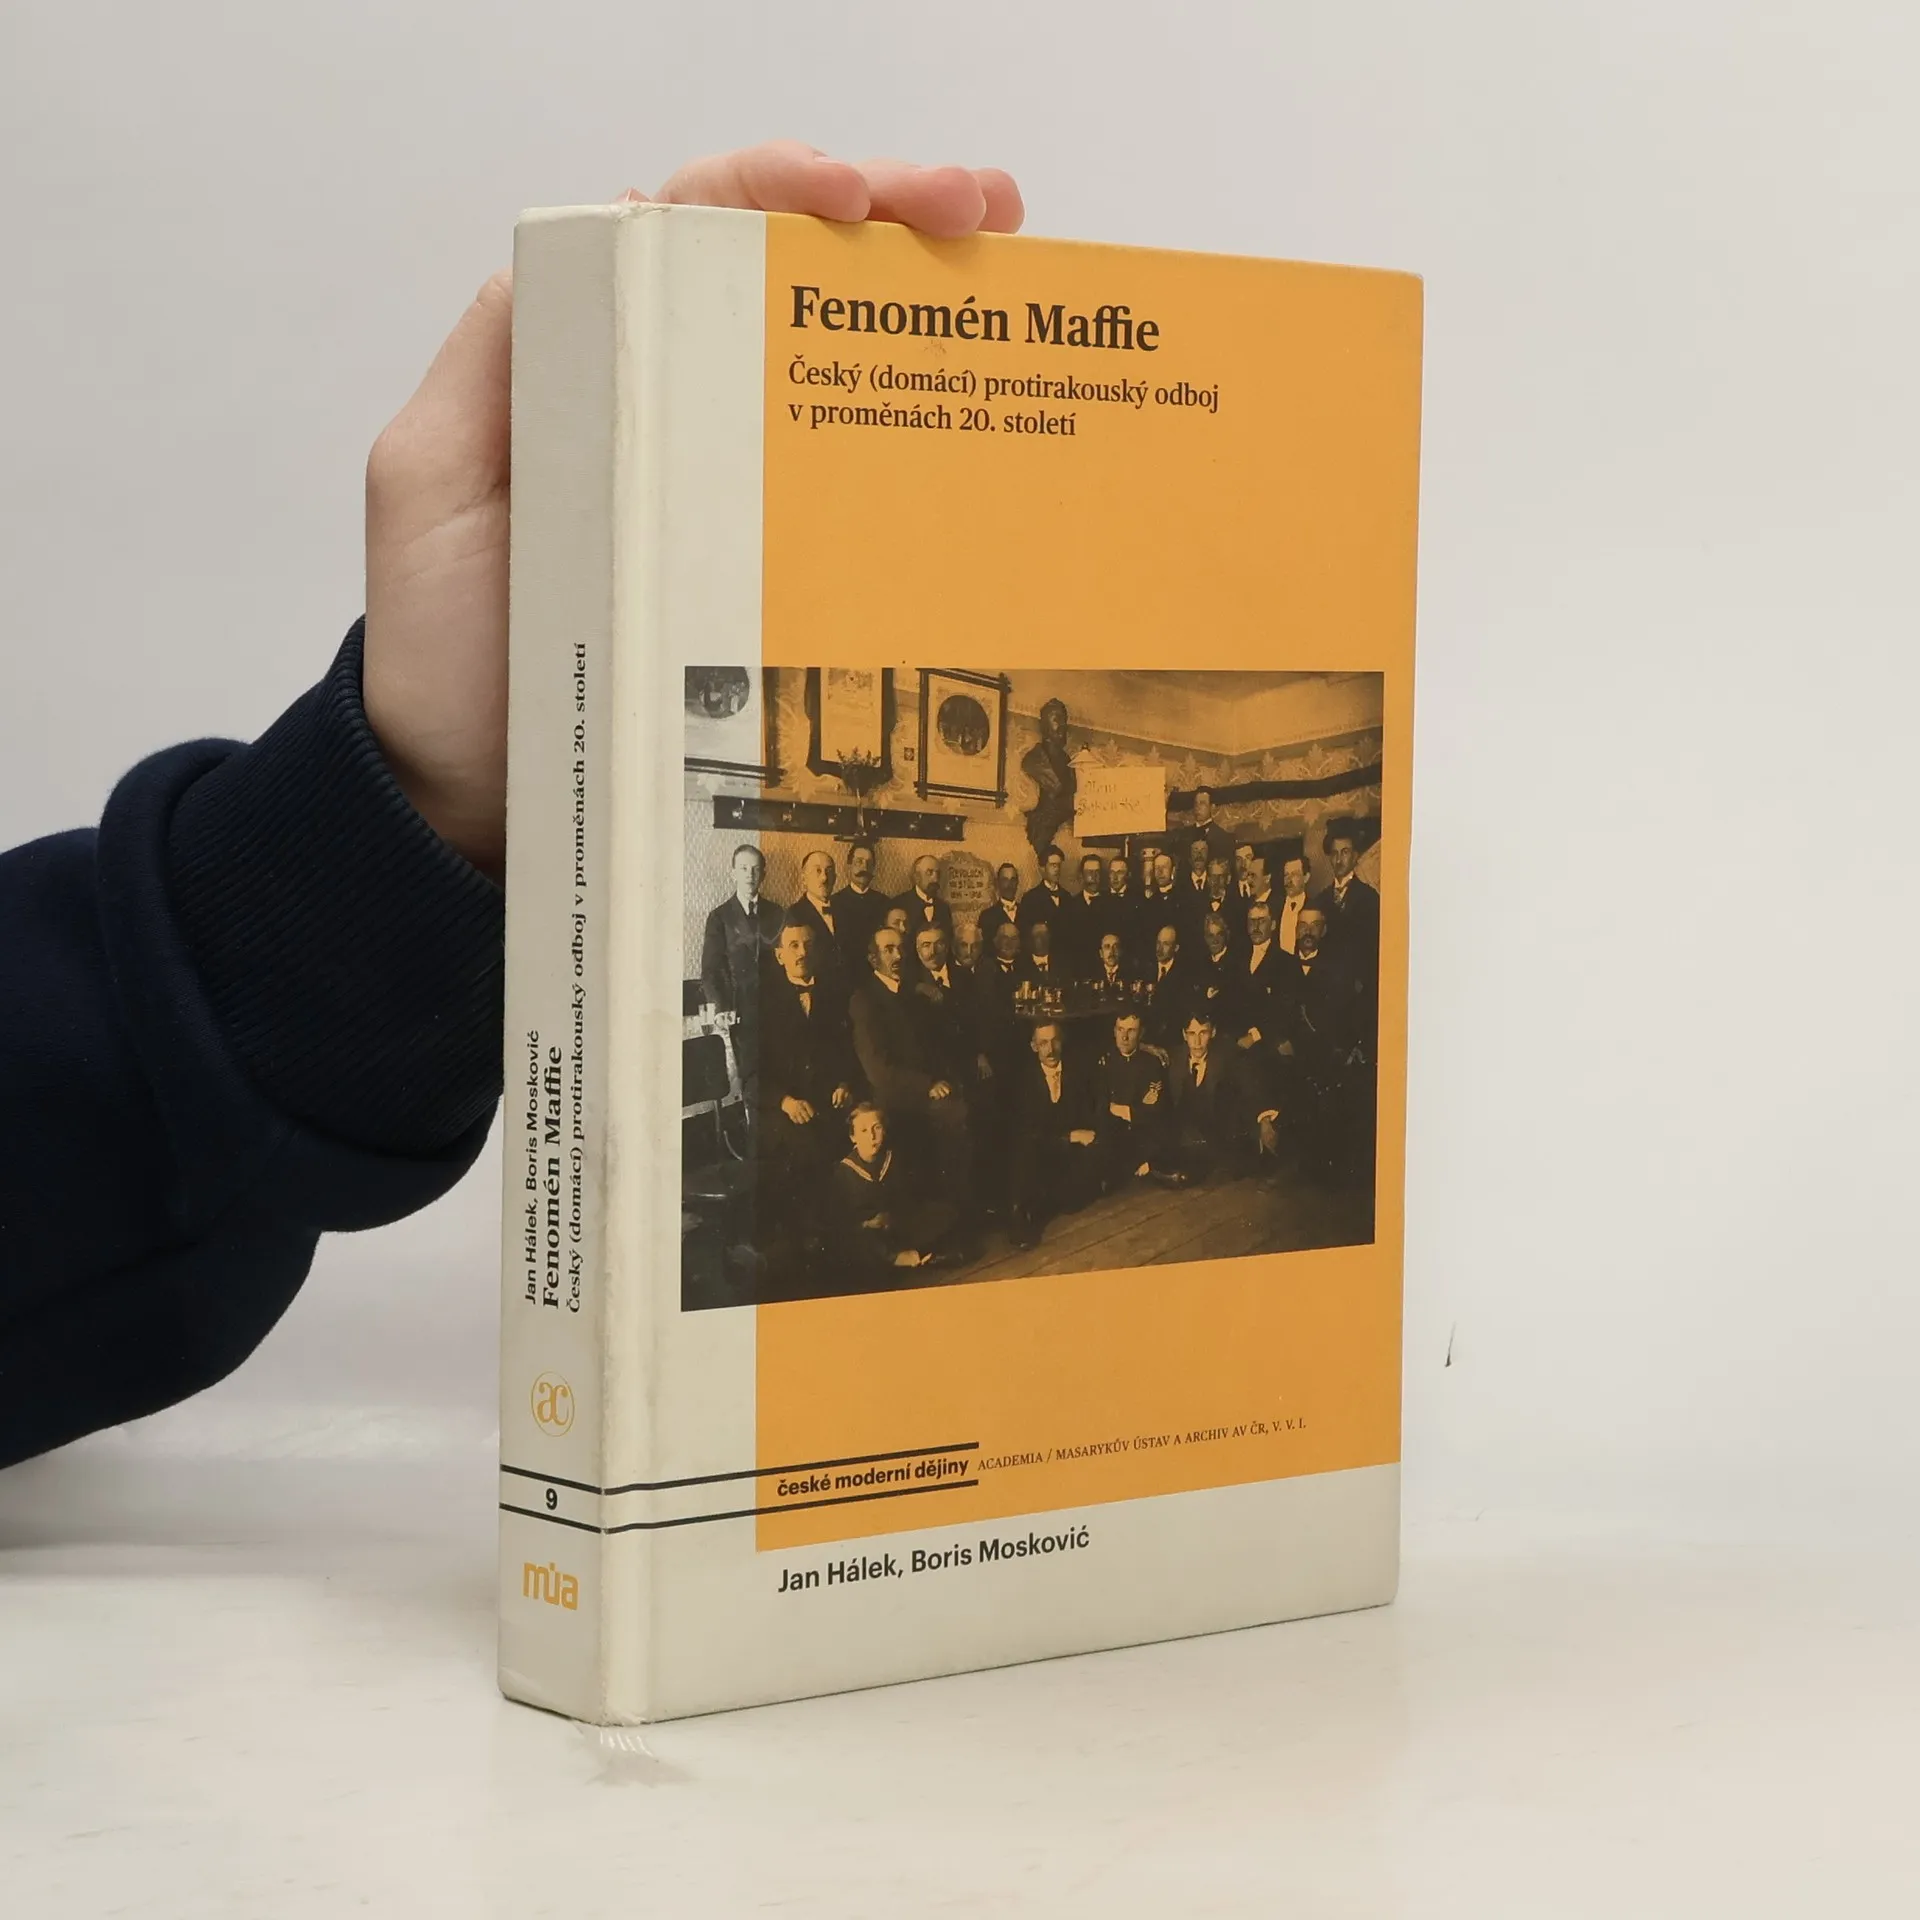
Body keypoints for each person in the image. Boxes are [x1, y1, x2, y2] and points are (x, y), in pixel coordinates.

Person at [0, 138, 1025, 1469]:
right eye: (806, 879)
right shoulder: (766, 938)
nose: (822, 894)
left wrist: (413, 807)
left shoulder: (860, 946)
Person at [849, 926, 973, 1206]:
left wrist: (945, 1078)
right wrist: (928, 1085)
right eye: (888, 950)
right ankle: (952, 1211)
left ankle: (957, 1209)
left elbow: (930, 1048)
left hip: (922, 1086)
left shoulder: (910, 993)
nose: (898, 956)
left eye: (901, 949)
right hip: (893, 1093)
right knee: (953, 1115)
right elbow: (878, 1070)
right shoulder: (865, 1000)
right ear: (873, 959)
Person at [754, 923, 860, 1235]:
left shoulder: (835, 995)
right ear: (779, 956)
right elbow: (751, 1075)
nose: (802, 952)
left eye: (808, 945)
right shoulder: (762, 1004)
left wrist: (844, 1084)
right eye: (794, 946)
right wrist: (785, 1102)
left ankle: (857, 1231)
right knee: (809, 1149)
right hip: (780, 1110)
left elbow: (848, 1051)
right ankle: (815, 1237)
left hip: (829, 1102)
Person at [827, 1104, 957, 1280]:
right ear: (853, 1137)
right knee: (855, 1242)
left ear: (885, 1130)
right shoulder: (844, 1171)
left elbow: (909, 1198)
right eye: (863, 1131)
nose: (872, 1136)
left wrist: (895, 1216)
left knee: (944, 1213)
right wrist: (867, 1224)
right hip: (867, 1231)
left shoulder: (893, 1158)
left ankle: (907, 1257)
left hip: (896, 1224)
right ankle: (904, 1258)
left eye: (877, 1128)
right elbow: (839, 1219)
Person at [1006, 1021, 1102, 1249]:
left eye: (1054, 1041)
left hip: (1068, 1156)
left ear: (1062, 1041)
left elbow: (1091, 1115)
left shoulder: (1079, 1073)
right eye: (1043, 1043)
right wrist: (1068, 1137)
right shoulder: (1022, 1081)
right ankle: (1020, 1217)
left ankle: (1049, 1200)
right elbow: (1026, 1133)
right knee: (1025, 1151)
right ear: (1033, 1047)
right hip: (1037, 1154)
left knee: (1073, 1202)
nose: (1050, 1050)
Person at [700, 844, 783, 1058]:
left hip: (773, 1011)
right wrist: (720, 1008)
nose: (750, 875)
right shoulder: (719, 917)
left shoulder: (777, 913)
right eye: (744, 868)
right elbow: (710, 970)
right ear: (733, 874)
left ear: (763, 875)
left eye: (755, 869)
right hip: (736, 1012)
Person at [1092, 1011, 1174, 1187]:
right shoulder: (1104, 1062)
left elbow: (1153, 1110)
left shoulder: (1151, 1064)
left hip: (1143, 1133)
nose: (1124, 1037)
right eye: (1120, 1029)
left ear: (1141, 1033)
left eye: (1131, 1031)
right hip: (1115, 1134)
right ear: (1114, 1031)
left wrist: (1121, 1110)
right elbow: (1100, 1107)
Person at [1311, 822, 1381, 984]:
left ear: (1355, 856)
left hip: (1358, 986)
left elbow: (1373, 950)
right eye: (1334, 853)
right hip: (1326, 985)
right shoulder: (1320, 900)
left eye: (1345, 852)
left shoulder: (1369, 898)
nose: (1338, 860)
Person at [1020, 698, 1075, 857]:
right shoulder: (1033, 760)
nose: (1062, 725)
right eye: (1057, 719)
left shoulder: (1068, 762)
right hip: (1041, 826)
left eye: (1064, 720)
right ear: (1044, 726)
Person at [829, 837, 892, 977]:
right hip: (845, 974)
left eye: (869, 863)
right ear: (849, 866)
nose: (864, 868)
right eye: (859, 862)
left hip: (878, 974)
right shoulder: (834, 902)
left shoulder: (885, 903)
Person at [782, 848, 843, 978]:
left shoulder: (845, 909)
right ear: (804, 879)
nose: (824, 878)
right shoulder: (794, 914)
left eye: (829, 871)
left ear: (835, 878)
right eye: (818, 871)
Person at [897, 853, 953, 948]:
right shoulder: (900, 904)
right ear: (916, 877)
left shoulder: (944, 908)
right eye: (929, 873)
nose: (935, 879)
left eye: (938, 874)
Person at [1018, 843, 1070, 938]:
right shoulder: (1030, 899)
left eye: (1059, 865)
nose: (1057, 869)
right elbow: (1025, 934)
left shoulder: (1067, 897)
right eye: (1052, 865)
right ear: (1042, 869)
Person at [977, 862, 1023, 951]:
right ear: (997, 883)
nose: (1009, 885)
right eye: (1005, 880)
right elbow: (985, 950)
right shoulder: (987, 916)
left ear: (1017, 883)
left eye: (1013, 880)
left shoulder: (1028, 912)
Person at [1274, 851, 1311, 955]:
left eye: (1294, 874)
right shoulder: (1274, 907)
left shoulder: (1314, 907)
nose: (1288, 880)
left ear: (1306, 877)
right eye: (1286, 875)